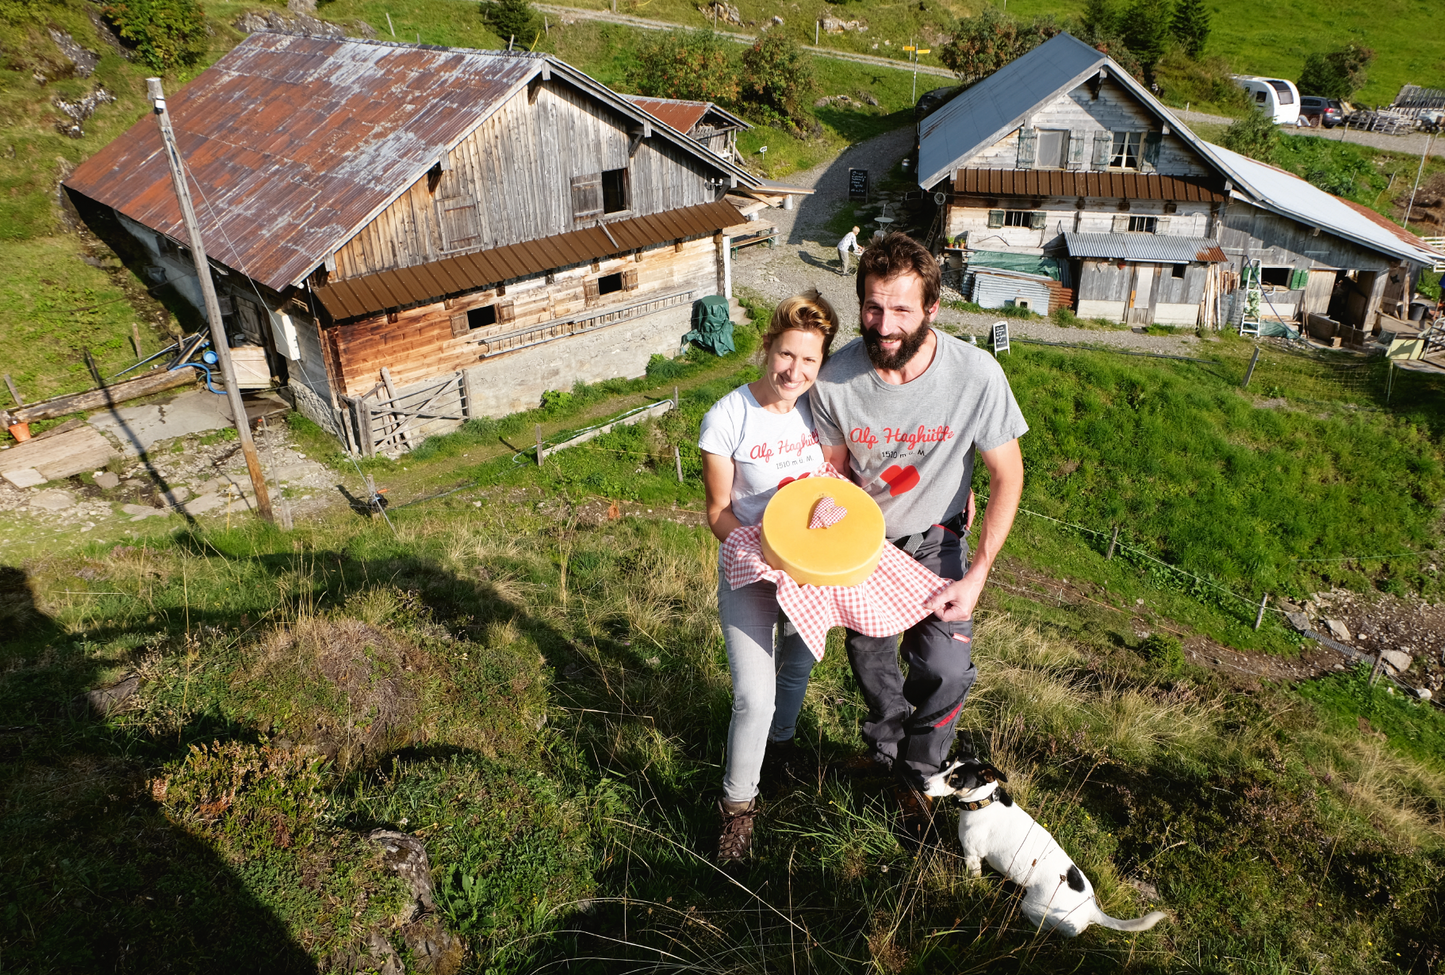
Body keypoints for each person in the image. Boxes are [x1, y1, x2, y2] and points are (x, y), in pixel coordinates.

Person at [808, 232, 1028, 832]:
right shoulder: (833, 380)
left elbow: (1008, 474)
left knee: (946, 669)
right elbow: (834, 474)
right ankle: (883, 753)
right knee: (871, 661)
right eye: (873, 308)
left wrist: (978, 573)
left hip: (940, 539)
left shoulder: (976, 375)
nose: (884, 325)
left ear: (932, 308)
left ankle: (921, 773)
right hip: (867, 546)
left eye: (902, 309)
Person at [699, 290, 841, 861]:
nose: (796, 371)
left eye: (809, 361)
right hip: (750, 568)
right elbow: (716, 511)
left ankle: (779, 751)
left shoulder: (821, 409)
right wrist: (756, 549)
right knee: (752, 697)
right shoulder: (728, 416)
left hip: (811, 573)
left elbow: (837, 488)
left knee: (798, 670)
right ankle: (737, 810)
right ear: (767, 348)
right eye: (787, 355)